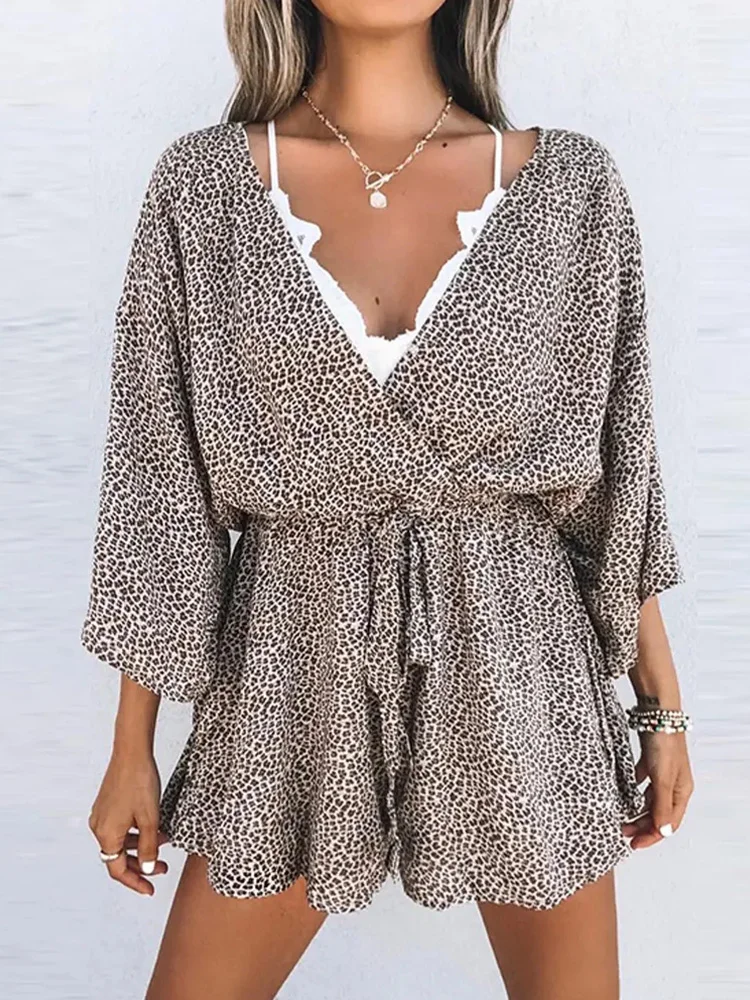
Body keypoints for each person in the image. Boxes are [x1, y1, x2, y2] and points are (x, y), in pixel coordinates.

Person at [81, 2, 694, 998]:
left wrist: (661, 710)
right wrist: (130, 748)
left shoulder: (574, 187)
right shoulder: (202, 189)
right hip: (289, 664)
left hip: (522, 666)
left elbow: (617, 484)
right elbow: (159, 489)